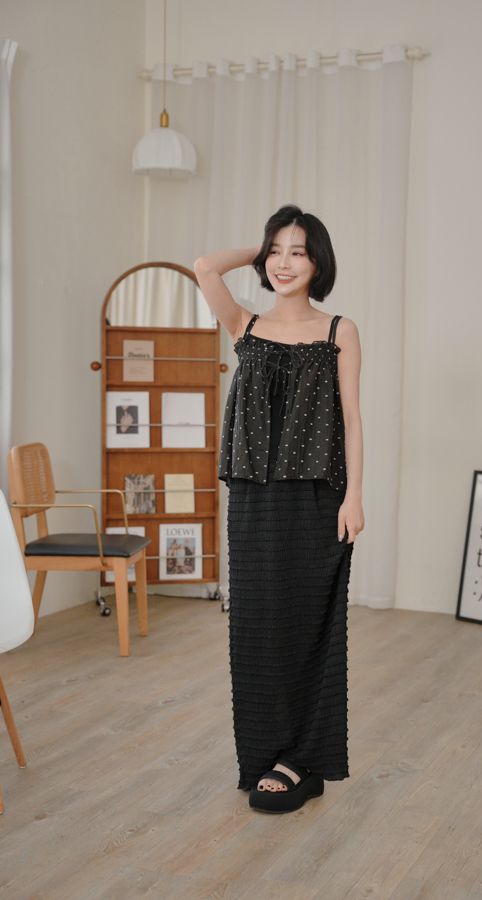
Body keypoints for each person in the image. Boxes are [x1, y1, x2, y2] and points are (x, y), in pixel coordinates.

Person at [194, 204, 364, 814]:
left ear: (319, 261)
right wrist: (262, 246)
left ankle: (304, 759)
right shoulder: (245, 326)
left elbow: (352, 419)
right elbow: (204, 267)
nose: (284, 263)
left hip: (317, 495)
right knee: (256, 628)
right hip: (254, 497)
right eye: (276, 252)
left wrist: (355, 495)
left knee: (312, 622)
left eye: (298, 251)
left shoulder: (338, 330)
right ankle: (266, 756)